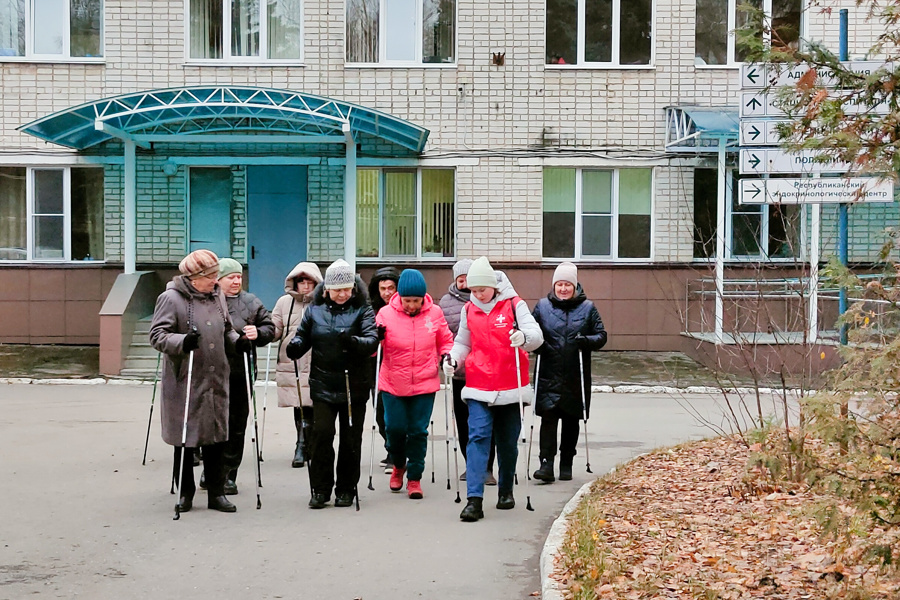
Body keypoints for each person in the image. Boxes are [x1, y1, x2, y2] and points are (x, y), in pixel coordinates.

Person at [443, 257, 543, 522]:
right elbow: (462, 343)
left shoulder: (514, 304)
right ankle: (473, 500)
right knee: (477, 438)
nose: (476, 295)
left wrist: (524, 338)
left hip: (510, 384)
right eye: (473, 291)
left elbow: (536, 334)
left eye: (481, 290)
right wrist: (453, 358)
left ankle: (506, 490)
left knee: (508, 443)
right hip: (478, 384)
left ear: (493, 286)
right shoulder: (469, 310)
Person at [149, 249, 243, 514]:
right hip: (185, 378)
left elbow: (226, 330)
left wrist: (240, 343)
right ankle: (185, 493)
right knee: (186, 438)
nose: (216, 280)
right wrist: (181, 341)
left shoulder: (217, 296)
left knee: (215, 437)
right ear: (194, 277)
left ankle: (216, 493)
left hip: (215, 375)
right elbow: (157, 335)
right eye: (211, 276)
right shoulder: (171, 298)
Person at [286, 259, 378, 509]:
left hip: (353, 386)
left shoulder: (363, 310)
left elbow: (372, 340)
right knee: (322, 436)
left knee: (350, 440)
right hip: (323, 384)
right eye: (337, 290)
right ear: (326, 289)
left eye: (347, 289)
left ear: (353, 289)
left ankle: (346, 489)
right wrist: (295, 347)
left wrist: (353, 341)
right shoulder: (315, 310)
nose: (342, 294)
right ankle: (321, 489)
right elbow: (303, 336)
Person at [376, 269, 454, 499]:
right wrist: (375, 337)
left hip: (424, 382)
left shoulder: (435, 313)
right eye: (407, 300)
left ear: (423, 297)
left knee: (418, 431)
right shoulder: (385, 314)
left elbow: (445, 340)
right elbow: (372, 348)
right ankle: (399, 465)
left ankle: (414, 478)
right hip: (393, 382)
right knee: (395, 429)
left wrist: (447, 356)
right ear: (400, 297)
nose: (411, 305)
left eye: (416, 301)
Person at [531, 262, 607, 483]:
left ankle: (566, 462)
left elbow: (602, 336)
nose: (563, 289)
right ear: (554, 285)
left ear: (575, 286)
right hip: (549, 372)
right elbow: (530, 332)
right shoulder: (542, 307)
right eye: (559, 284)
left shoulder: (588, 308)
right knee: (548, 420)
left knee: (571, 421)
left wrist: (586, 341)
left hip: (575, 375)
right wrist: (537, 346)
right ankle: (546, 464)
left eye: (567, 285)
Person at [217, 258, 275, 494]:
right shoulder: (208, 301)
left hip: (241, 371)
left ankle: (230, 473)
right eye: (231, 277)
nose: (236, 281)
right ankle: (211, 469)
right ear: (218, 279)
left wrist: (258, 333)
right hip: (213, 371)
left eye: (239, 276)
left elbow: (270, 328)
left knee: (237, 423)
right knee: (214, 422)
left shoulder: (251, 302)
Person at [438, 258, 497, 485]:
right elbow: (444, 333)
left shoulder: (487, 301)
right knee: (463, 421)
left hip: (484, 372)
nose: (464, 283)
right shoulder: (446, 302)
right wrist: (447, 357)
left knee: (484, 421)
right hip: (460, 372)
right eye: (460, 279)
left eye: (467, 279)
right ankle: (470, 463)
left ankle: (487, 467)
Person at [271, 262, 324, 468]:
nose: (305, 286)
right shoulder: (284, 303)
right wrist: (262, 331)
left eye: (309, 281)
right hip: (292, 360)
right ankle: (301, 444)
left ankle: (310, 443)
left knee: (314, 405)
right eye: (301, 281)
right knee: (300, 404)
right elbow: (275, 328)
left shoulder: (322, 302)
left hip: (316, 359)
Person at [368, 266, 400, 471]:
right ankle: (389, 447)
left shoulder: (404, 307)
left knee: (394, 413)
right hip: (376, 366)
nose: (387, 293)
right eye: (383, 289)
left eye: (391, 288)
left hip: (398, 365)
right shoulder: (370, 310)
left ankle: (395, 452)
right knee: (379, 412)